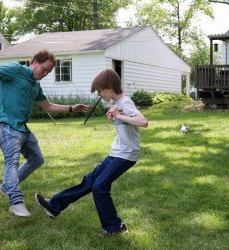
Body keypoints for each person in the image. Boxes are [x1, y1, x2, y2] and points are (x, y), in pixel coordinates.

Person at [0, 50, 89, 217]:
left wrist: (72, 108)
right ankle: (15, 201)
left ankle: (7, 186)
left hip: (21, 127)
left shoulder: (35, 85)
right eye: (43, 69)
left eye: (48, 72)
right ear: (34, 62)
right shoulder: (16, 70)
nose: (44, 74)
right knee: (11, 160)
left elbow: (47, 106)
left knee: (37, 159)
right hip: (5, 124)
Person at [34, 69, 148, 237]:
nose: (99, 95)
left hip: (126, 155)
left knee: (99, 187)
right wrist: (115, 115)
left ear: (109, 87)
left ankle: (114, 227)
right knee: (90, 181)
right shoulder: (117, 104)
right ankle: (54, 206)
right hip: (116, 153)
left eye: (100, 91)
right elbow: (125, 121)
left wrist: (120, 116)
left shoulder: (125, 102)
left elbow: (143, 122)